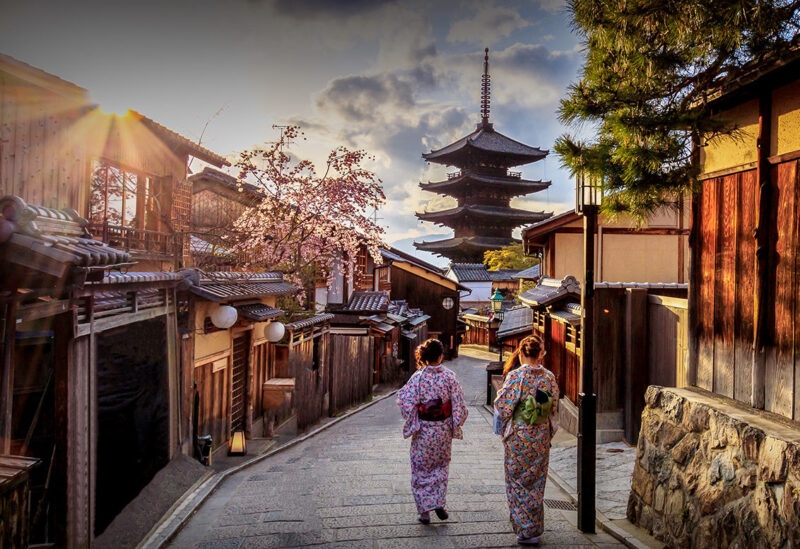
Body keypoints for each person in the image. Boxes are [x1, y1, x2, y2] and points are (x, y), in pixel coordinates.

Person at [493, 334, 559, 546]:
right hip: (540, 435)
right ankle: (535, 529)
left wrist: (505, 426)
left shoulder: (516, 376)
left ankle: (524, 529)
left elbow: (503, 406)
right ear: (540, 354)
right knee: (537, 481)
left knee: (517, 481)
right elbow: (554, 406)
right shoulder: (549, 377)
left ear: (521, 353)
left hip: (519, 436)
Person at [396, 338, 468, 524]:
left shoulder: (418, 378)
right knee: (441, 467)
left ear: (424, 356)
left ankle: (424, 512)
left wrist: (414, 417)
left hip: (424, 430)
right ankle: (438, 502)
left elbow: (405, 401)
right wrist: (456, 422)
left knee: (421, 468)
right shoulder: (449, 376)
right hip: (442, 429)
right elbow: (459, 404)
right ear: (441, 356)